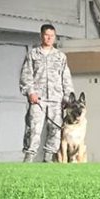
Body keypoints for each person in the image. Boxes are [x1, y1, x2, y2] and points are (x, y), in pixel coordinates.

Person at [19, 23, 74, 162]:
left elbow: (66, 78)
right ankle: (28, 158)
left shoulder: (60, 56)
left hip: (56, 100)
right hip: (38, 100)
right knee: (33, 129)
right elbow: (26, 75)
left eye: (52, 36)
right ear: (41, 36)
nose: (49, 38)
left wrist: (68, 98)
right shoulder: (33, 54)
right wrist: (30, 92)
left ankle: (48, 159)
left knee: (55, 131)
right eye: (46, 35)